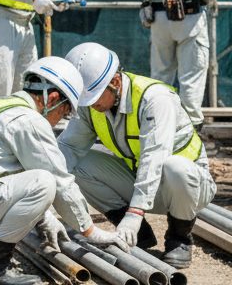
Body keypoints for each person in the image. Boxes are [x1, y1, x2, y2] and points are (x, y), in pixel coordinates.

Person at [0, 57, 127, 285]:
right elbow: (60, 181)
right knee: (43, 182)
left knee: (9, 179)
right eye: (63, 112)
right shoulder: (28, 119)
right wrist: (90, 231)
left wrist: (44, 217)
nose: (59, 121)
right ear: (52, 98)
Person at [60, 42, 215, 269]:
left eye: (93, 98)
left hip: (188, 188)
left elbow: (155, 157)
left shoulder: (155, 99)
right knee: (79, 164)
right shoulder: (91, 103)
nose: (90, 105)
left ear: (114, 82)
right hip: (144, 182)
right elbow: (68, 148)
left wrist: (135, 213)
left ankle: (179, 238)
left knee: (175, 167)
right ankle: (140, 235)